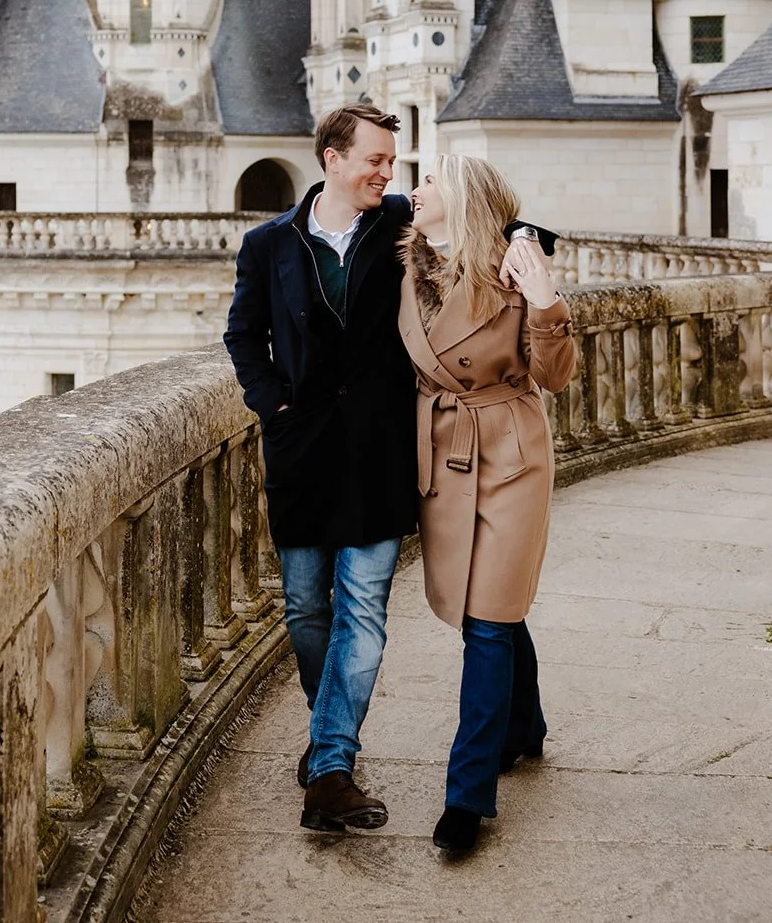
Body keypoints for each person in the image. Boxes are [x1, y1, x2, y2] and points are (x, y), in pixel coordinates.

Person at [224, 104, 417, 832]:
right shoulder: (268, 243)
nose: (385, 172)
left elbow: (495, 222)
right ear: (332, 158)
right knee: (307, 609)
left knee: (362, 606)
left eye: (391, 162)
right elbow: (243, 334)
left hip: (378, 449)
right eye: (374, 159)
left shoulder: (399, 222)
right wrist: (272, 406)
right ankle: (326, 732)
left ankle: (331, 764)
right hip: (301, 449)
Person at [399, 154, 576, 853]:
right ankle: (523, 728)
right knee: (492, 611)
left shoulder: (513, 270)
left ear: (464, 199)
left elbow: (555, 377)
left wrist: (543, 300)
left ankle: (466, 797)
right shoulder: (404, 265)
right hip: (440, 450)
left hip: (508, 454)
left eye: (430, 180)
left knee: (489, 622)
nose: (413, 190)